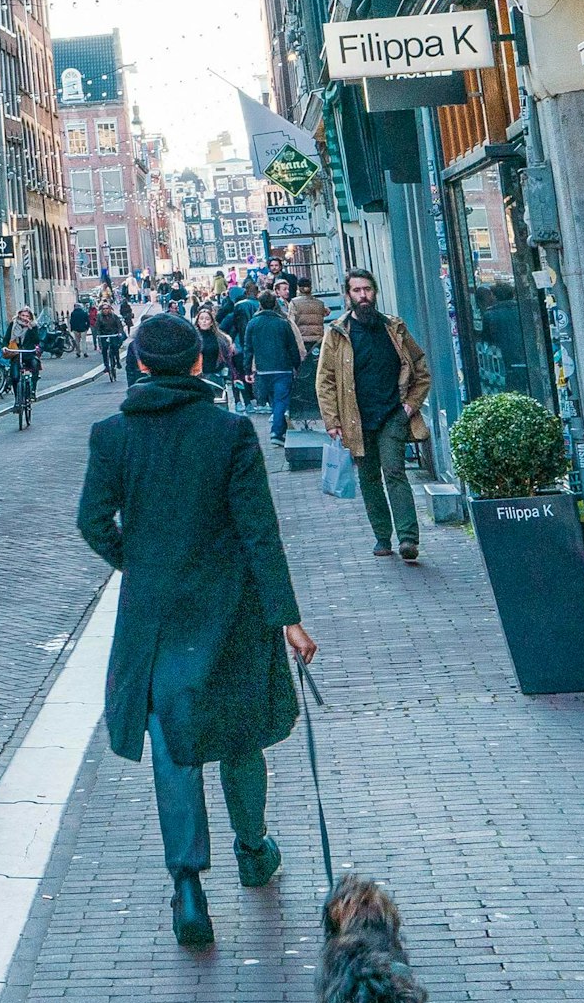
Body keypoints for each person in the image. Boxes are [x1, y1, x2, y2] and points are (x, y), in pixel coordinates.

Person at [76, 314, 315, 951]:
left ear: (142, 365)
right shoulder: (231, 433)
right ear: (199, 364)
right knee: (239, 737)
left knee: (173, 750)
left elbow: (92, 522)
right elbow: (259, 532)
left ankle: (188, 887)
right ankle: (253, 849)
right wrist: (286, 616)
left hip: (154, 622)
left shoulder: (112, 436)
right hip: (230, 609)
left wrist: (139, 563)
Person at [315, 270, 434, 564]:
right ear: (348, 296)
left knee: (394, 471)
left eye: (367, 289)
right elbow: (325, 380)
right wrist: (332, 421)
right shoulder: (337, 333)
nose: (363, 296)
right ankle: (382, 536)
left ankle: (408, 538)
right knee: (369, 478)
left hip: (393, 413)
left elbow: (420, 367)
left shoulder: (394, 328)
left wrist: (410, 405)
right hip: (356, 417)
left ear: (375, 292)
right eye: (356, 291)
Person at [242, 287, 305, 445]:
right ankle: (277, 432)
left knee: (275, 401)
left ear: (260, 304)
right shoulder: (282, 323)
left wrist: (247, 369)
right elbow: (292, 347)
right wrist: (298, 366)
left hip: (263, 369)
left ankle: (280, 431)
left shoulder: (253, 323)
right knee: (281, 400)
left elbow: (248, 348)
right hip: (282, 367)